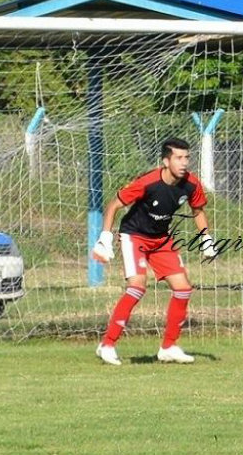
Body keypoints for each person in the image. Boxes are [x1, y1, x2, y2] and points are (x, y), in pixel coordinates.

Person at [91, 137, 216, 366]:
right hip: (134, 236)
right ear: (166, 161)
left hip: (161, 239)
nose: (184, 162)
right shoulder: (147, 182)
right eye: (178, 157)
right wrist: (105, 238)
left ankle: (168, 347)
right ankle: (107, 344)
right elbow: (113, 205)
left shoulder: (191, 184)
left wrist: (206, 238)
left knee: (183, 289)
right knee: (137, 287)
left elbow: (198, 211)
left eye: (187, 157)